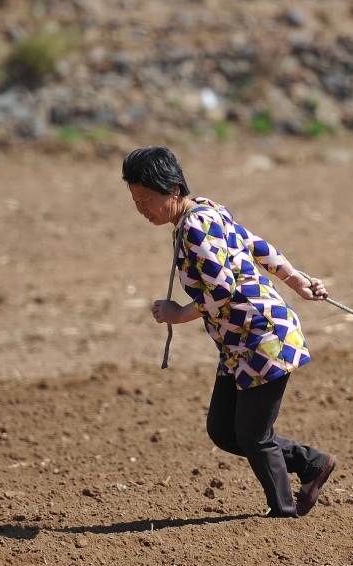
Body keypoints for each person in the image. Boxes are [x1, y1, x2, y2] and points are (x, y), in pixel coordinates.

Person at [122, 145, 337, 518]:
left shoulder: (193, 226)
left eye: (146, 199)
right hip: (238, 344)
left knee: (254, 435)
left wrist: (178, 314)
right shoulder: (208, 210)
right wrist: (297, 282)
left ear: (173, 190)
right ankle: (312, 463)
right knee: (224, 429)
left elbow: (222, 290)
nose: (141, 210)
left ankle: (284, 511)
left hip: (262, 337)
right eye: (135, 201)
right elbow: (257, 246)